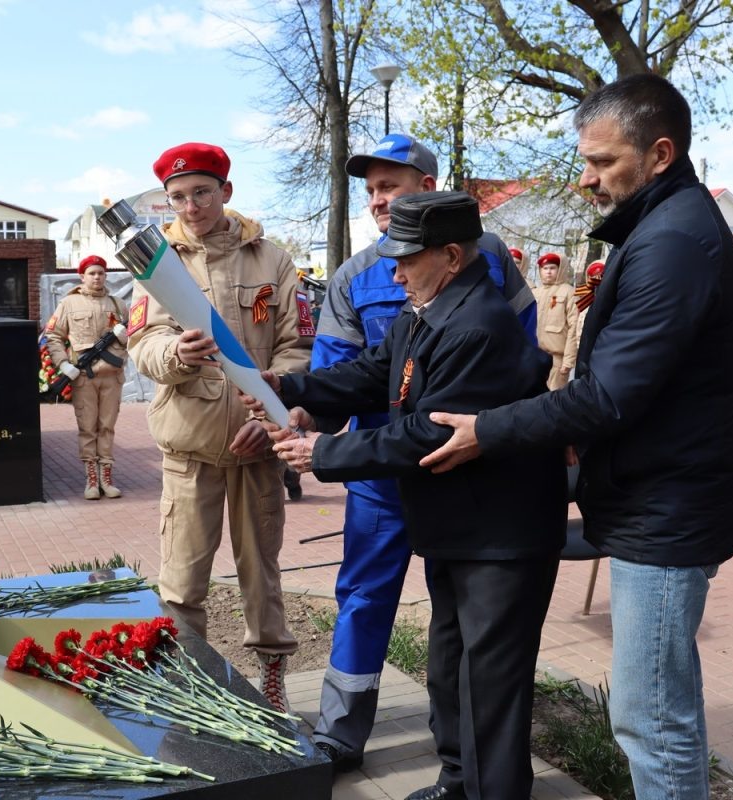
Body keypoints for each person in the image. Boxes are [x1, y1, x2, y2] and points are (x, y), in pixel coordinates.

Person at [421, 75, 733, 800]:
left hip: (666, 512)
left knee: (650, 718)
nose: (586, 176)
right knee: (658, 711)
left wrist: (492, 431)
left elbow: (610, 394)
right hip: (652, 494)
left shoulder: (674, 243)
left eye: (602, 162)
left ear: (659, 153)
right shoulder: (663, 228)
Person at [260, 191, 565, 800]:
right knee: (450, 668)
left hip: (499, 536)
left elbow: (427, 432)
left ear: (451, 256)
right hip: (460, 527)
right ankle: (459, 781)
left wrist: (323, 455)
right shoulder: (429, 308)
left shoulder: (479, 325)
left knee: (490, 684)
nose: (393, 271)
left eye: (406, 258)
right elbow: (375, 372)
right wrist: (290, 384)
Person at [306, 132, 536, 772]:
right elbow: (343, 371)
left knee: (458, 619)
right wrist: (303, 409)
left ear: (427, 190)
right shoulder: (354, 275)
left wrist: (496, 433)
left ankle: (466, 758)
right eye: (372, 190)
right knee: (364, 596)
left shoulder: (487, 259)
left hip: (459, 468)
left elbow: (516, 361)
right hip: (379, 476)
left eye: (392, 186)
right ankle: (341, 733)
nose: (379, 200)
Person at [125, 142, 312, 713]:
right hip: (190, 447)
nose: (190, 205)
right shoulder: (157, 264)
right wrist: (176, 352)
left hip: (258, 449)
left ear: (225, 192)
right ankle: (189, 686)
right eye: (177, 197)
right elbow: (141, 344)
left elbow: (297, 346)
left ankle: (273, 679)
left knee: (262, 573)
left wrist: (270, 416)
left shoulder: (272, 260)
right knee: (181, 580)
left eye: (201, 192)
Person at [45, 255, 129, 500]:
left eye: (101, 273)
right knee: (87, 428)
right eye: (92, 273)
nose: (97, 277)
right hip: (83, 376)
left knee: (107, 427)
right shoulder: (69, 304)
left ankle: (107, 478)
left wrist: (125, 338)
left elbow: (137, 334)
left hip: (112, 376)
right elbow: (53, 336)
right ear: (82, 276)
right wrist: (62, 363)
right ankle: (91, 479)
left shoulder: (117, 304)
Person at [533, 252, 580, 389]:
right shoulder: (535, 293)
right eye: (544, 268)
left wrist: (568, 360)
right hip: (535, 355)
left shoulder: (569, 292)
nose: (548, 272)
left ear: (561, 269)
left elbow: (574, 327)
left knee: (554, 398)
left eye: (552, 268)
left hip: (557, 359)